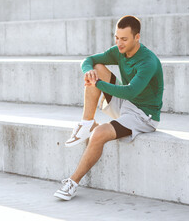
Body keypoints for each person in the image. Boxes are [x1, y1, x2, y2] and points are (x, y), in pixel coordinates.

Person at [54, 15, 164, 201]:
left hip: (143, 115)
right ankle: (87, 123)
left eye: (124, 39)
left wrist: (96, 84)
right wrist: (89, 74)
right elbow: (88, 60)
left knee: (99, 135)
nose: (119, 43)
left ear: (137, 37)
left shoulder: (148, 62)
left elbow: (130, 92)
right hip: (126, 104)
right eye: (116, 37)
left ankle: (72, 182)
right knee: (96, 68)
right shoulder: (119, 51)